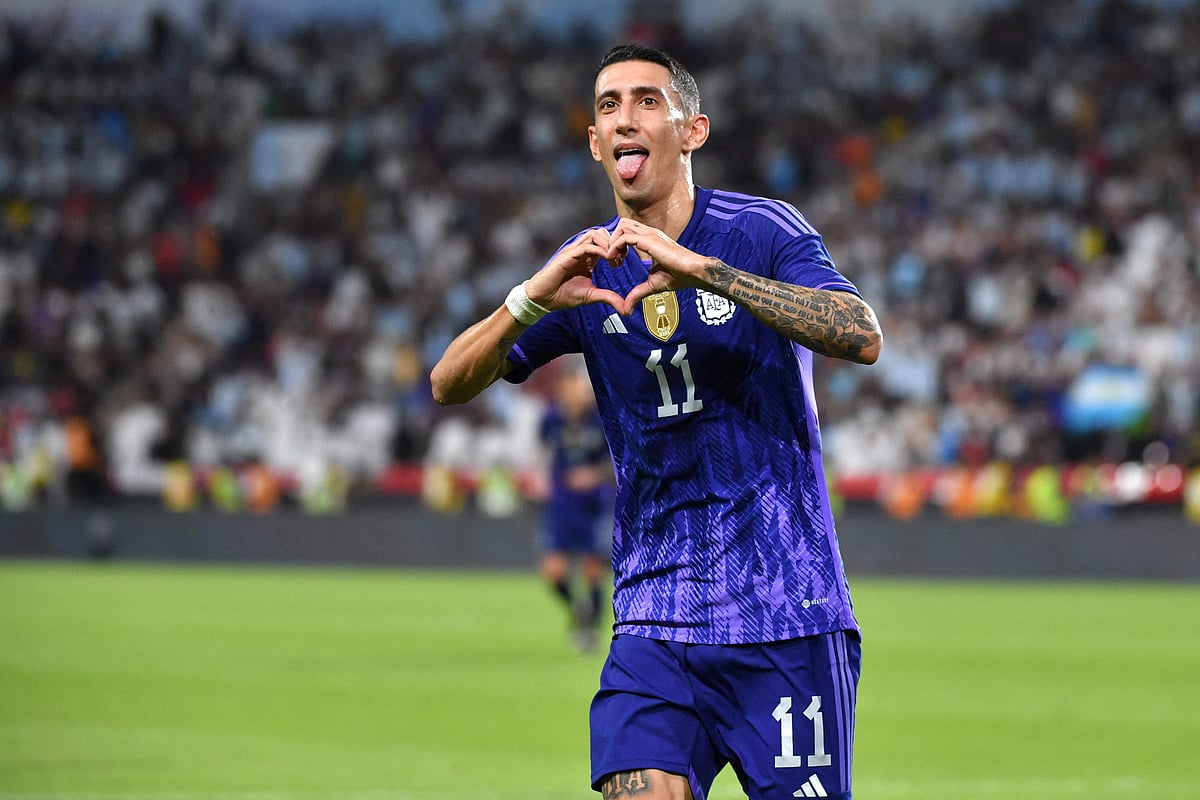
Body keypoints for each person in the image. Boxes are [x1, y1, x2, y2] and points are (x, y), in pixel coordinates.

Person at [431, 42, 883, 800]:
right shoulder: (588, 263)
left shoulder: (760, 231)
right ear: (594, 142)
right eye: (608, 106)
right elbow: (448, 383)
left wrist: (707, 272)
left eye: (646, 100)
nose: (624, 118)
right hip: (654, 617)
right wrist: (528, 302)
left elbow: (860, 333)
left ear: (691, 131)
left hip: (785, 609)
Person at [537, 359, 613, 653]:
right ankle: (577, 607)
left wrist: (594, 475)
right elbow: (547, 451)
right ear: (563, 387)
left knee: (593, 571)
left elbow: (616, 462)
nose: (582, 391)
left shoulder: (601, 418)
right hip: (563, 504)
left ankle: (590, 630)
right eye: (576, 385)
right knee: (553, 572)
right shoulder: (551, 419)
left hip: (594, 504)